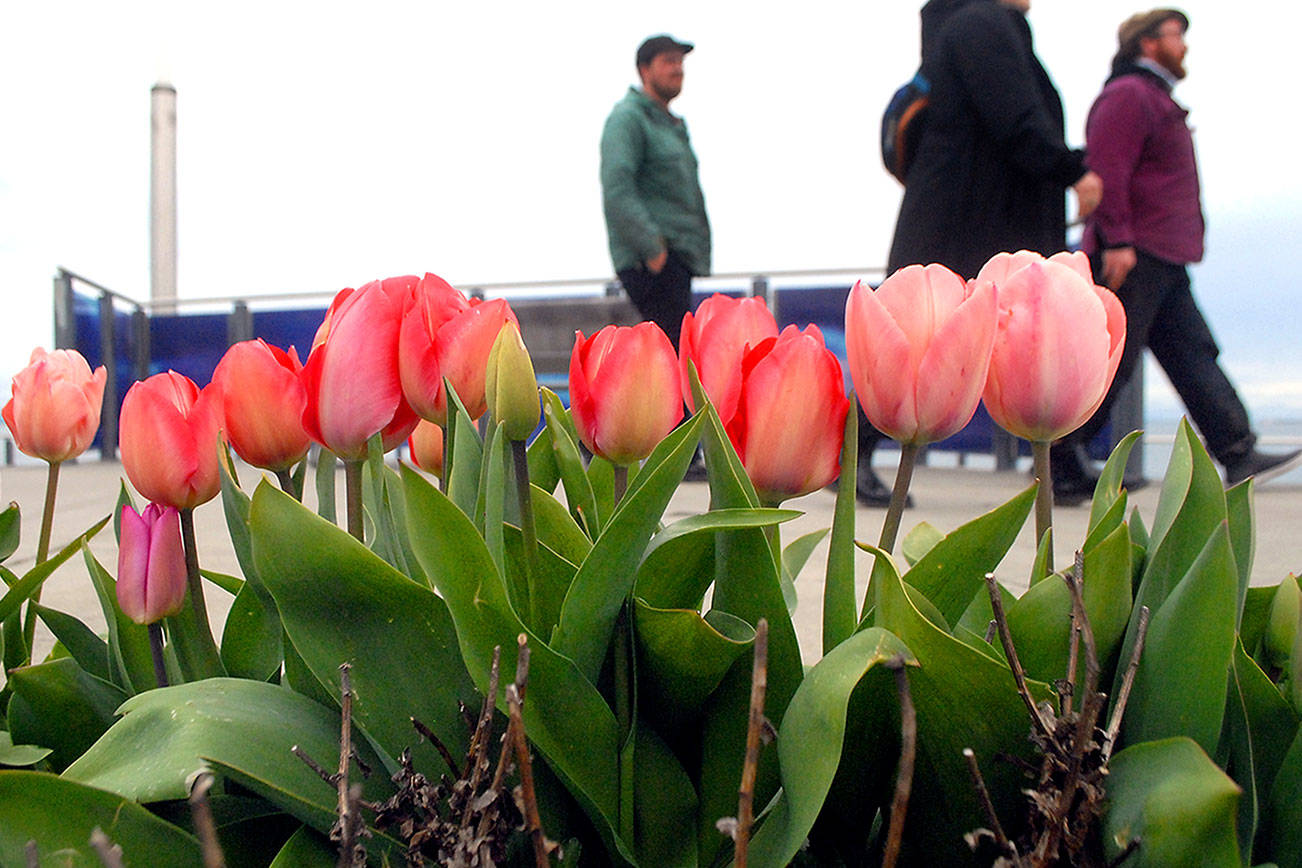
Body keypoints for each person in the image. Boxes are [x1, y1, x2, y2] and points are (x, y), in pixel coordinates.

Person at [856, 0, 1102, 506]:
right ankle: (853, 448)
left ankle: (1064, 462)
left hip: (967, 208)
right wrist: (1071, 168)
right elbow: (1014, 114)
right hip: (974, 211)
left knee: (945, 336)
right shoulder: (983, 23)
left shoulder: (966, 24)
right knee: (929, 338)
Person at [1053, 8, 1302, 500]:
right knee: (1112, 361)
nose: (1184, 46)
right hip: (1136, 252)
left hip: (1162, 253)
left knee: (1193, 352)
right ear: (1148, 43)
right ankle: (1061, 461)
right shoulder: (1128, 96)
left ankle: (1237, 450)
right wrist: (1118, 241)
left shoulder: (1150, 96)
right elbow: (1108, 172)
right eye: (1176, 36)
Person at [600, 34, 711, 350]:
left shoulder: (669, 124)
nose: (677, 70)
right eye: (668, 62)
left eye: (679, 62)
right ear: (644, 70)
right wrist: (654, 251)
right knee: (673, 359)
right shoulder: (628, 119)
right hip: (653, 262)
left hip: (675, 258)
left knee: (678, 355)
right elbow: (617, 188)